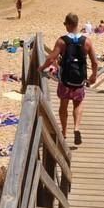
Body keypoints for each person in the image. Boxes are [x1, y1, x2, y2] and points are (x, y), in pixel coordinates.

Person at [40, 13, 99, 148]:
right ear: (77, 24)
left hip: (65, 80)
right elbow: (95, 62)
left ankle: (64, 132)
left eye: (65, 24)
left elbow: (51, 59)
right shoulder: (87, 41)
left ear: (67, 24)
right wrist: (94, 76)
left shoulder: (62, 41)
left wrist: (42, 67)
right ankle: (76, 128)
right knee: (78, 104)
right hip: (79, 81)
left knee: (63, 105)